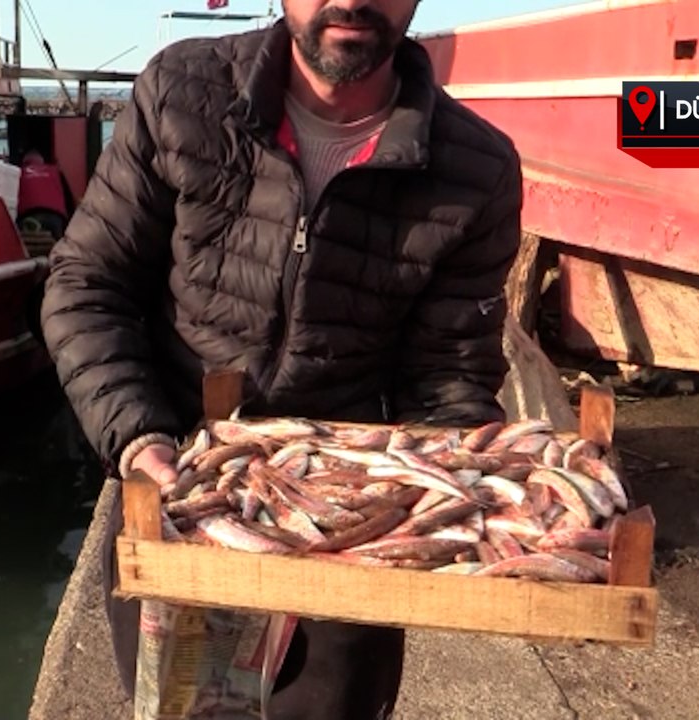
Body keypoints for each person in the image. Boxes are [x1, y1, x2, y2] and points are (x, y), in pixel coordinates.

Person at [40, 1, 523, 718]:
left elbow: (449, 372)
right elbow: (87, 284)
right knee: (181, 707)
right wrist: (141, 439)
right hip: (183, 485)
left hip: (350, 523)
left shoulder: (476, 169)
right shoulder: (180, 91)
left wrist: (452, 501)